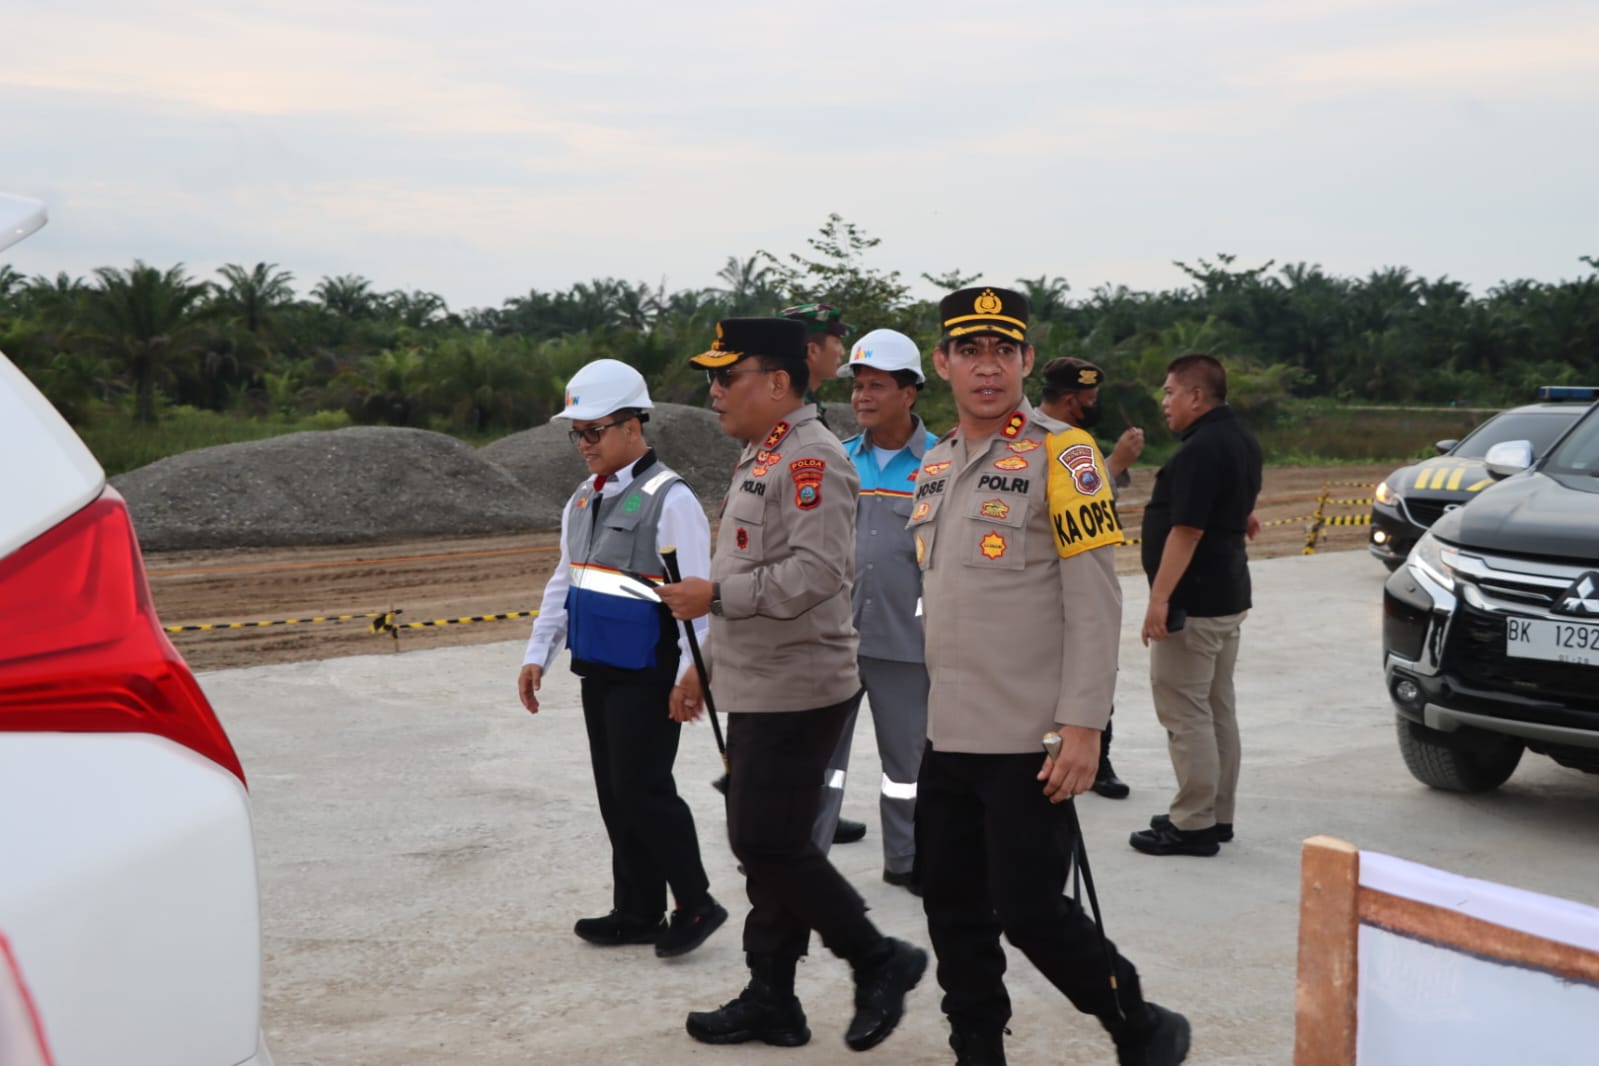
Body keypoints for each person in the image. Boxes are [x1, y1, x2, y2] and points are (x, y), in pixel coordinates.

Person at [911, 286, 1190, 1066]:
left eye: (1003, 350)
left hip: (1031, 738)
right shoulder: (933, 464)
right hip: (949, 732)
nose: (986, 366)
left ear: (1027, 360)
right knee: (950, 907)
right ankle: (977, 1047)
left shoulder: (1064, 455)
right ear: (943, 363)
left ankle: (1138, 1023)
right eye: (969, 350)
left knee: (1031, 912)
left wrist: (1083, 725)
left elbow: (1095, 602)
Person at [656, 317, 926, 1053]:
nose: (712, 393)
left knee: (767, 843)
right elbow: (746, 570)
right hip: (757, 678)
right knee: (765, 847)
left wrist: (709, 600)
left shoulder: (812, 459)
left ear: (777, 383)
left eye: (725, 377)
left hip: (799, 685)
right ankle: (774, 997)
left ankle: (879, 959)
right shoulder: (762, 450)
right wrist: (705, 666)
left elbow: (814, 575)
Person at [517, 359, 727, 958]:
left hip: (651, 671)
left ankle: (695, 902)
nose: (583, 445)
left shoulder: (671, 497)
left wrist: (697, 670)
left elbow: (698, 593)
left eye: (594, 431)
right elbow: (566, 579)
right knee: (615, 792)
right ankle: (637, 909)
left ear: (634, 425)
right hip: (600, 670)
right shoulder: (582, 498)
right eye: (576, 433)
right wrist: (540, 653)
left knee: (645, 790)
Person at [807, 328, 939, 893]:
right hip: (837, 640)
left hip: (906, 645)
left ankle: (906, 861)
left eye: (876, 386)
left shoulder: (941, 464)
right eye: (858, 385)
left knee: (905, 771)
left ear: (909, 392)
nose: (861, 396)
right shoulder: (837, 460)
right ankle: (804, 857)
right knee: (820, 763)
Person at [1130, 353, 1262, 859]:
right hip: (1227, 594)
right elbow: (1238, 508)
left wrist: (1159, 600)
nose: (1164, 402)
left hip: (1196, 603)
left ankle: (1192, 825)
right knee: (1215, 708)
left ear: (1196, 397)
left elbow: (1186, 531)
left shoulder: (1200, 450)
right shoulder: (1240, 439)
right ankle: (1215, 813)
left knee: (1186, 714)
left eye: (1169, 392)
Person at [1037, 356, 1145, 801]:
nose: (1094, 406)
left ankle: (1097, 760)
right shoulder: (1037, 439)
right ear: (1069, 401)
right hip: (1046, 592)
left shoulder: (1075, 438)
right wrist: (1116, 462)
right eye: (1090, 400)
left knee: (1092, 673)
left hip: (1081, 586)